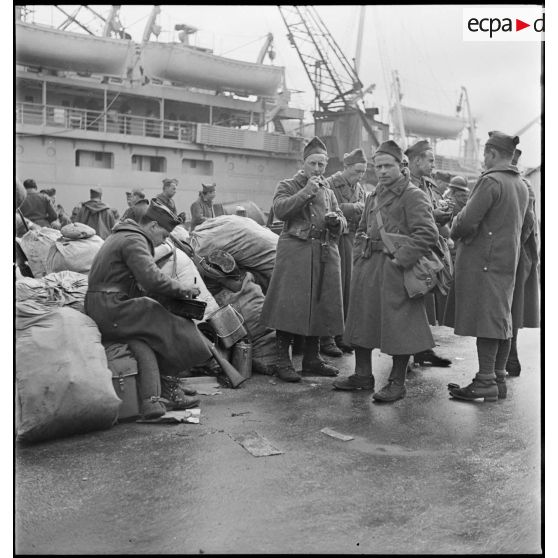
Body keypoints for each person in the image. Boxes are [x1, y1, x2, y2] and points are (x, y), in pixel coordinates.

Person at [85, 199, 213, 417]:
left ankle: (154, 399)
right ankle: (177, 380)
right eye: (163, 235)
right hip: (111, 306)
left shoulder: (122, 235)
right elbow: (151, 279)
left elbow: (141, 282)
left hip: (104, 306)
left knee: (145, 338)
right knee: (170, 323)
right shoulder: (134, 240)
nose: (162, 241)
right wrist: (182, 289)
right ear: (153, 226)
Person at [333, 140, 439, 402]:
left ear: (402, 166)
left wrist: (400, 260)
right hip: (369, 266)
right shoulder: (374, 194)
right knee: (361, 322)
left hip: (396, 269)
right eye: (378, 166)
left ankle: (397, 382)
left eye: (387, 166)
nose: (381, 171)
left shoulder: (413, 195)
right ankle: (362, 376)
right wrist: (359, 255)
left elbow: (428, 233)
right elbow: (361, 227)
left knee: (399, 328)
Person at [445, 131, 529, 402]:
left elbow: (466, 222)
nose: (483, 159)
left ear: (492, 154)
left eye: (485, 153)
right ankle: (498, 379)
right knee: (502, 320)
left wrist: (454, 222)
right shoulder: (521, 184)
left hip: (484, 263)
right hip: (506, 262)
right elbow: (527, 227)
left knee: (488, 323)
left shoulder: (491, 181)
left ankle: (485, 381)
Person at [260, 136, 347, 382]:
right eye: (313, 164)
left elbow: (342, 218)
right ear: (304, 162)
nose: (318, 169)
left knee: (320, 305)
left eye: (322, 164)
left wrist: (336, 221)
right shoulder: (288, 184)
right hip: (295, 250)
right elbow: (280, 210)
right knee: (289, 306)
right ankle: (282, 361)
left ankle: (312, 359)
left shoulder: (329, 191)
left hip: (323, 250)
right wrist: (307, 191)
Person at [405, 140, 453, 367]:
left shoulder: (428, 185)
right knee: (409, 301)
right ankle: (405, 353)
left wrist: (444, 215)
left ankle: (422, 349)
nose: (434, 164)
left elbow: (432, 218)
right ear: (416, 160)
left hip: (428, 252)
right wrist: (434, 215)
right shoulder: (401, 183)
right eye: (431, 160)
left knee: (424, 302)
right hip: (410, 252)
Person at [319, 147, 367, 357]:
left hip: (353, 241)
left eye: (363, 172)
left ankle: (342, 335)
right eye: (357, 171)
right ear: (346, 167)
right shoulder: (330, 184)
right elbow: (327, 209)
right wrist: (356, 207)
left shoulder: (360, 187)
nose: (360, 175)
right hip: (335, 240)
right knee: (333, 288)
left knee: (349, 289)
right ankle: (327, 337)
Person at [506, 148, 540, 376]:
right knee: (511, 306)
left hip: (515, 255)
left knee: (509, 306)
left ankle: (511, 355)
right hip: (520, 254)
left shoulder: (521, 186)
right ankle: (510, 355)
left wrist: (512, 248)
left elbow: (527, 224)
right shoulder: (522, 184)